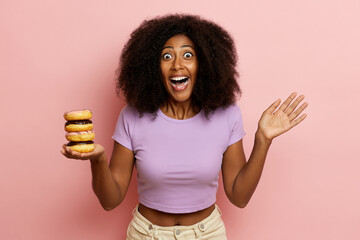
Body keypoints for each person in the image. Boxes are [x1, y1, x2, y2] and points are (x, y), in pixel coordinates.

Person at [61, 14, 308, 240]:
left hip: (207, 234)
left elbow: (239, 196)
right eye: (166, 56)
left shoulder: (227, 116)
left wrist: (263, 140)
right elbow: (109, 200)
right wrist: (98, 159)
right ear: (152, 68)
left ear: (204, 64)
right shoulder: (132, 116)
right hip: (146, 235)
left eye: (188, 55)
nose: (177, 65)